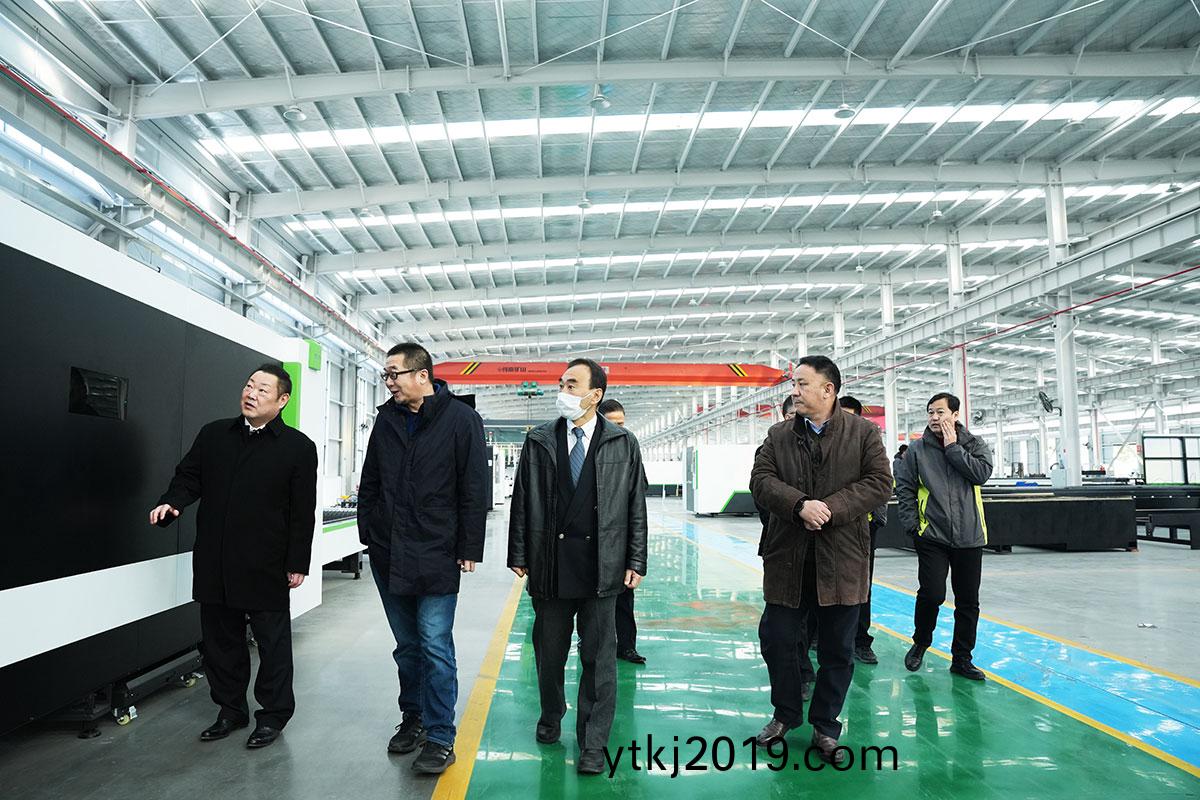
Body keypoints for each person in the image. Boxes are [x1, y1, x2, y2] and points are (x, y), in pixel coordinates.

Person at [149, 364, 317, 749]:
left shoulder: (297, 447)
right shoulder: (214, 435)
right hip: (216, 559)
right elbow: (188, 477)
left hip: (266, 563)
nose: (251, 393)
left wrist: (297, 562)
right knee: (220, 642)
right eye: (248, 385)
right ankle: (230, 710)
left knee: (272, 645)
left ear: (282, 400)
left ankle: (272, 716)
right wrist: (172, 502)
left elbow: (301, 510)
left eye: (262, 389)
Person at [508, 358, 648, 776]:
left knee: (600, 661)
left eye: (572, 385)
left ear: (595, 395)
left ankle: (593, 741)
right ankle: (551, 714)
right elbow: (522, 499)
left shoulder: (623, 442)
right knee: (549, 654)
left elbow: (635, 505)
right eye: (562, 384)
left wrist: (636, 559)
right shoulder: (539, 440)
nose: (563, 391)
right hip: (551, 565)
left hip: (601, 566)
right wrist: (519, 553)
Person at [750, 356, 892, 764]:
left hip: (842, 559)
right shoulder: (778, 435)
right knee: (777, 640)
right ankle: (785, 714)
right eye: (793, 384)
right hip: (788, 558)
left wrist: (829, 508)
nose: (794, 391)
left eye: (801, 384)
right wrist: (799, 505)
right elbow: (760, 481)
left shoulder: (863, 433)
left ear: (828, 390)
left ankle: (826, 726)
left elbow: (880, 482)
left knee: (837, 650)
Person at [358, 342, 489, 774]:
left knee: (435, 645)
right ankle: (412, 718)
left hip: (437, 550)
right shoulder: (387, 420)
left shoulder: (462, 420)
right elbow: (370, 481)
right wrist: (369, 532)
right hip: (389, 550)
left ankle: (440, 736)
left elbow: (474, 487)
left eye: (394, 373)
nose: (389, 382)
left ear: (422, 375)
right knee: (408, 646)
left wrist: (469, 547)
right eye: (386, 375)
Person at [895, 392, 993, 682]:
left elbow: (981, 474)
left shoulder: (974, 444)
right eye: (930, 412)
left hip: (969, 535)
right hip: (932, 534)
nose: (935, 418)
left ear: (955, 415)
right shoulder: (917, 450)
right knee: (932, 593)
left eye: (940, 412)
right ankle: (921, 642)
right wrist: (913, 525)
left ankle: (962, 659)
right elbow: (905, 487)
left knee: (967, 601)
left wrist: (953, 448)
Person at [753, 395, 816, 702]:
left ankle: (804, 671)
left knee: (808, 620)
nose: (796, 420)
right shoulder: (772, 447)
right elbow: (763, 494)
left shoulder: (823, 448)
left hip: (819, 547)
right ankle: (798, 676)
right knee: (781, 623)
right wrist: (794, 513)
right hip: (782, 545)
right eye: (791, 414)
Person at [838, 395, 887, 666]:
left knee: (862, 586)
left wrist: (877, 519)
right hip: (832, 525)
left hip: (864, 527)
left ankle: (860, 640)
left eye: (851, 417)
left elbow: (881, 482)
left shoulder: (869, 444)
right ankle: (821, 636)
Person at [597, 398, 646, 666]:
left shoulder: (629, 445)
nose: (619, 429)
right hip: (595, 538)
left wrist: (636, 558)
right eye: (613, 423)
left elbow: (639, 491)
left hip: (621, 537)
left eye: (622, 423)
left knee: (624, 596)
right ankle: (591, 642)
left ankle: (627, 646)